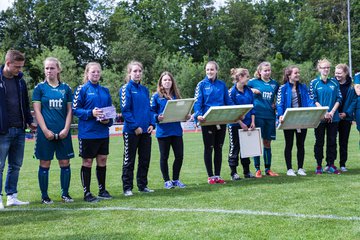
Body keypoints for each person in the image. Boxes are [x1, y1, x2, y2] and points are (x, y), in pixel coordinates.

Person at [32, 57, 74, 204]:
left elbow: (70, 111)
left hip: (63, 132)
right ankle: (44, 196)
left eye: (52, 68)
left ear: (58, 70)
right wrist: (45, 130)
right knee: (45, 163)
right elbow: (37, 111)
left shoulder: (66, 89)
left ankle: (65, 194)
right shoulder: (39, 89)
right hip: (45, 134)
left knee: (64, 162)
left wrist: (66, 129)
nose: (49, 71)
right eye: (47, 68)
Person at [0, 49, 36, 209]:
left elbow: (25, 104)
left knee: (15, 165)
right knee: (0, 166)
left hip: (20, 129)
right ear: (8, 63)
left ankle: (12, 196)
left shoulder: (20, 81)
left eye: (21, 67)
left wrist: (29, 121)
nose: (19, 70)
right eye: (17, 67)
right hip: (2, 131)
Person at [73, 62, 113, 202]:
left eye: (98, 72)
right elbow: (75, 110)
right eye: (93, 72)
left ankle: (102, 190)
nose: (95, 74)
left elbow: (110, 111)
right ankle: (87, 193)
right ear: (87, 73)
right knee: (88, 161)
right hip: (87, 133)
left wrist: (108, 121)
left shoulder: (105, 91)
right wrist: (91, 113)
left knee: (102, 160)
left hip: (102, 133)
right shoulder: (82, 89)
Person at [193, 61, 234, 184]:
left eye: (212, 69)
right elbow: (197, 102)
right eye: (207, 70)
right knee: (209, 148)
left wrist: (237, 112)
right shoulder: (201, 85)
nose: (209, 72)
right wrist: (198, 115)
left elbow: (228, 101)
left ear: (217, 70)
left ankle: (217, 175)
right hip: (207, 121)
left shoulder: (222, 85)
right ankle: (210, 176)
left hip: (221, 121)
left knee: (219, 148)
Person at [120, 61, 155, 196]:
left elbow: (150, 110)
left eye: (140, 71)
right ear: (129, 73)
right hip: (131, 131)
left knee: (145, 159)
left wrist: (152, 124)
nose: (137, 73)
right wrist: (135, 126)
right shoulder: (126, 89)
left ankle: (142, 185)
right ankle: (127, 188)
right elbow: (125, 110)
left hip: (146, 131)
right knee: (129, 160)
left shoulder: (145, 90)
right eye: (135, 71)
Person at [151, 71, 187, 189]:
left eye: (169, 80)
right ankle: (167, 181)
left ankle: (176, 179)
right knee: (164, 157)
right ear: (161, 82)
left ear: (172, 82)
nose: (167, 82)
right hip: (163, 132)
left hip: (176, 131)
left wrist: (186, 116)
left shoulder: (176, 95)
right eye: (165, 80)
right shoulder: (156, 96)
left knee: (179, 156)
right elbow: (151, 112)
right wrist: (157, 117)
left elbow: (181, 112)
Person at [276, 66, 315, 176]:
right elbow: (280, 103)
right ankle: (289, 169)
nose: (298, 74)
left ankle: (300, 168)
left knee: (301, 144)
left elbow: (309, 100)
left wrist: (314, 111)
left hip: (302, 119)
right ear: (289, 75)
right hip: (288, 119)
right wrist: (280, 115)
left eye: (298, 73)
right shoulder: (283, 88)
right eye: (295, 73)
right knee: (289, 144)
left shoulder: (303, 87)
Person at [309, 59, 342, 174]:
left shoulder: (334, 82)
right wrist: (324, 112)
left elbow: (339, 98)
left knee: (332, 141)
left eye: (328, 67)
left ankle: (331, 164)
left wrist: (332, 112)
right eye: (323, 67)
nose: (326, 69)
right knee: (319, 141)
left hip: (334, 117)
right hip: (320, 117)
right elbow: (313, 99)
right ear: (319, 69)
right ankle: (319, 165)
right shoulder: (314, 82)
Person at [247, 62, 279, 178]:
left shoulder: (275, 84)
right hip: (257, 116)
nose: (267, 72)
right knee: (256, 143)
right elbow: (239, 87)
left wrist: (276, 105)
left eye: (269, 70)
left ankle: (268, 169)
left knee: (267, 143)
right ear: (259, 72)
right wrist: (252, 91)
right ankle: (257, 169)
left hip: (270, 116)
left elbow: (279, 98)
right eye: (265, 70)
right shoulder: (252, 82)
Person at [227, 68, 256, 180]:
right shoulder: (231, 92)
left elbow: (253, 108)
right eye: (246, 76)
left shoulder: (249, 91)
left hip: (248, 124)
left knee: (246, 148)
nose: (248, 79)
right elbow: (231, 110)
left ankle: (247, 171)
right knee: (235, 148)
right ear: (239, 77)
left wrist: (252, 122)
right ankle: (233, 173)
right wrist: (240, 123)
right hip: (235, 125)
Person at [334, 64, 356, 172]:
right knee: (332, 141)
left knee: (343, 142)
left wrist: (346, 113)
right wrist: (335, 112)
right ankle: (331, 164)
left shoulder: (352, 86)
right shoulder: (332, 84)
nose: (337, 75)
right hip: (334, 117)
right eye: (336, 73)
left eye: (339, 73)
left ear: (345, 73)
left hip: (346, 118)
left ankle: (342, 164)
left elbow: (354, 101)